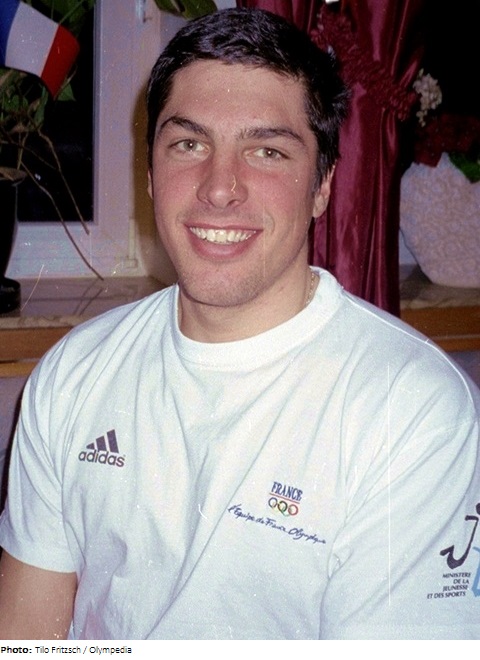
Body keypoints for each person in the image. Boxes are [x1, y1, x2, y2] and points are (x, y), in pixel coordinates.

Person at [0, 7, 479, 641]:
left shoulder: (413, 410)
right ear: (150, 173)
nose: (219, 187)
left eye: (267, 151)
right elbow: (27, 640)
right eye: (189, 144)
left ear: (323, 186)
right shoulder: (73, 374)